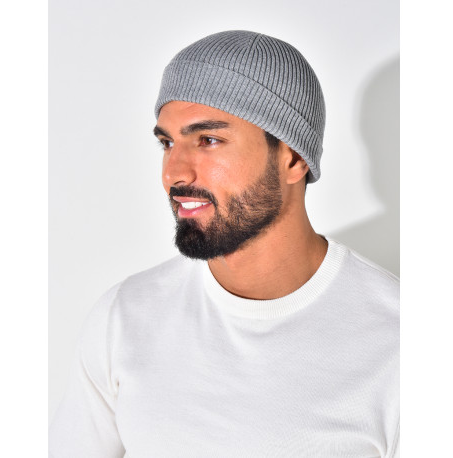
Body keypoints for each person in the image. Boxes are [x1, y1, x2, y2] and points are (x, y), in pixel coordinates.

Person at [49, 30, 399, 458]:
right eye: (167, 143)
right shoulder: (125, 317)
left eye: (208, 140)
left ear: (293, 158)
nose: (173, 173)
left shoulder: (399, 340)